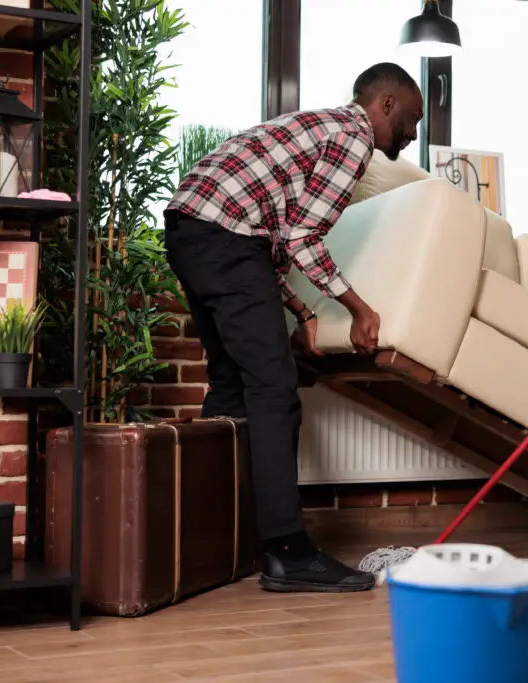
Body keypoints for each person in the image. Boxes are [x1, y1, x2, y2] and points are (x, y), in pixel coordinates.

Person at [162, 62, 424, 593]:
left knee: (233, 386)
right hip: (224, 236)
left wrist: (303, 313)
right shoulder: (353, 138)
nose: (414, 133)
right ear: (387, 104)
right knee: (275, 390)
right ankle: (287, 552)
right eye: (413, 119)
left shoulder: (317, 127)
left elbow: (272, 242)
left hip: (192, 230)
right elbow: (303, 238)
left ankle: (216, 538)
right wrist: (359, 308)